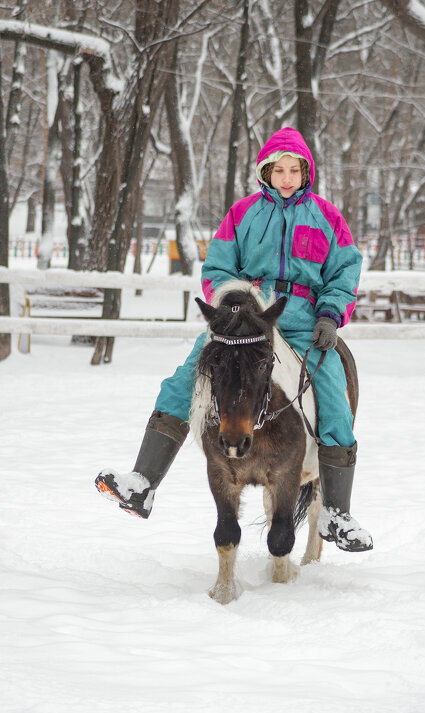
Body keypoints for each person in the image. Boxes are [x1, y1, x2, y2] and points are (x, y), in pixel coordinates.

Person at [95, 126, 372, 553]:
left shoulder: (328, 218)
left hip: (302, 322)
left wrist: (331, 314)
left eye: (293, 170)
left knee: (334, 390)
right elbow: (218, 268)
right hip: (245, 319)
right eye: (277, 169)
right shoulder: (242, 213)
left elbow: (344, 272)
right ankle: (143, 482)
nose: (285, 177)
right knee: (186, 376)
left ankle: (336, 512)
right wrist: (233, 307)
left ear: (305, 172)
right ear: (265, 171)